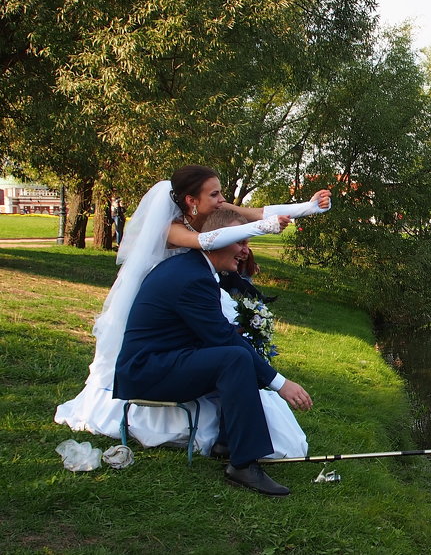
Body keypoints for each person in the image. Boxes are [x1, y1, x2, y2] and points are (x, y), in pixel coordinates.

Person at [54, 165, 330, 457]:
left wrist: (308, 207)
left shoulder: (214, 209)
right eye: (215, 194)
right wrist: (263, 229)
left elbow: (257, 211)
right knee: (227, 350)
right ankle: (240, 457)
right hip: (172, 293)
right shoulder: (172, 227)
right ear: (191, 200)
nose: (221, 199)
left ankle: (233, 444)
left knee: (226, 347)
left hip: (193, 287)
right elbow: (205, 241)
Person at [114, 209, 312, 496]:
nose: (246, 251)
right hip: (146, 371)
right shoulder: (192, 277)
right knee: (234, 357)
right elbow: (220, 338)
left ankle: (227, 444)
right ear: (216, 241)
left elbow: (212, 333)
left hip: (163, 361)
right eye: (241, 242)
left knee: (233, 355)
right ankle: (243, 464)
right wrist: (281, 383)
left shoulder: (192, 268)